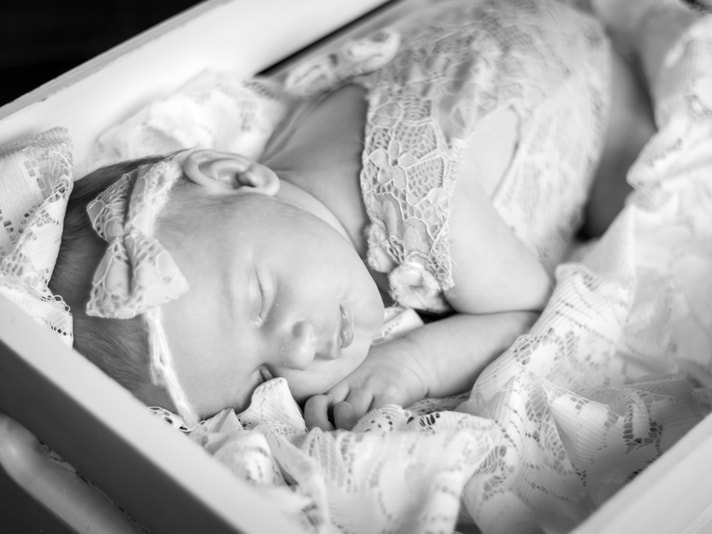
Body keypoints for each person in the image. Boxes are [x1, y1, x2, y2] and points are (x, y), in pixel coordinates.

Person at [50, 0, 675, 431]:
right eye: (263, 376)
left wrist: (416, 362)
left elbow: (541, 316)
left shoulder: (429, 210)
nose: (299, 356)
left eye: (262, 300)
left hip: (588, 81)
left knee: (649, 201)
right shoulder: (285, 190)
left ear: (237, 175)